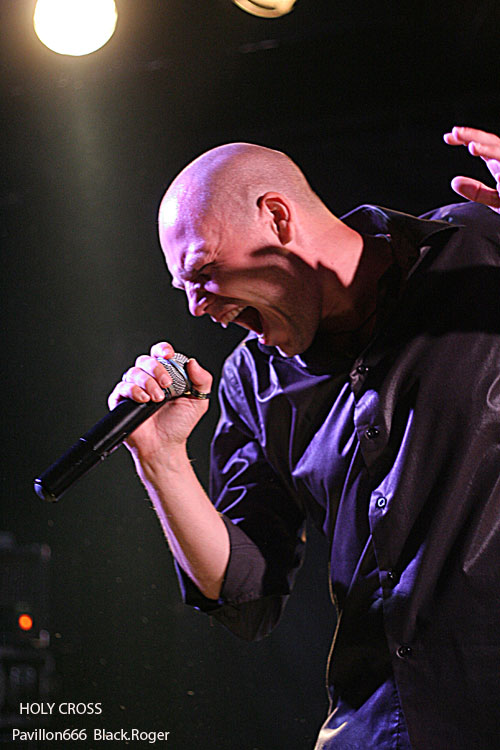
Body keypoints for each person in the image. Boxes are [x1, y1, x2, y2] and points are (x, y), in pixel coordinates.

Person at [108, 126, 500, 749]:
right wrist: (161, 460)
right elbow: (246, 593)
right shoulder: (252, 380)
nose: (196, 308)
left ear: (276, 217)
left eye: (203, 271)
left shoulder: (478, 252)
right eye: (183, 288)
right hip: (376, 730)